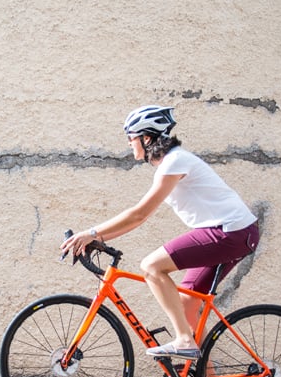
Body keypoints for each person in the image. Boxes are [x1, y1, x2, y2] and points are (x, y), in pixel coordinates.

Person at [60, 105, 259, 361]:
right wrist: (98, 237)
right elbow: (137, 220)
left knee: (152, 266)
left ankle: (184, 341)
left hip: (230, 232)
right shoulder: (172, 163)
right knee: (186, 304)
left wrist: (92, 233)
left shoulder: (175, 162)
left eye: (131, 137)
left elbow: (139, 214)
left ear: (147, 138)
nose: (129, 143)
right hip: (234, 232)